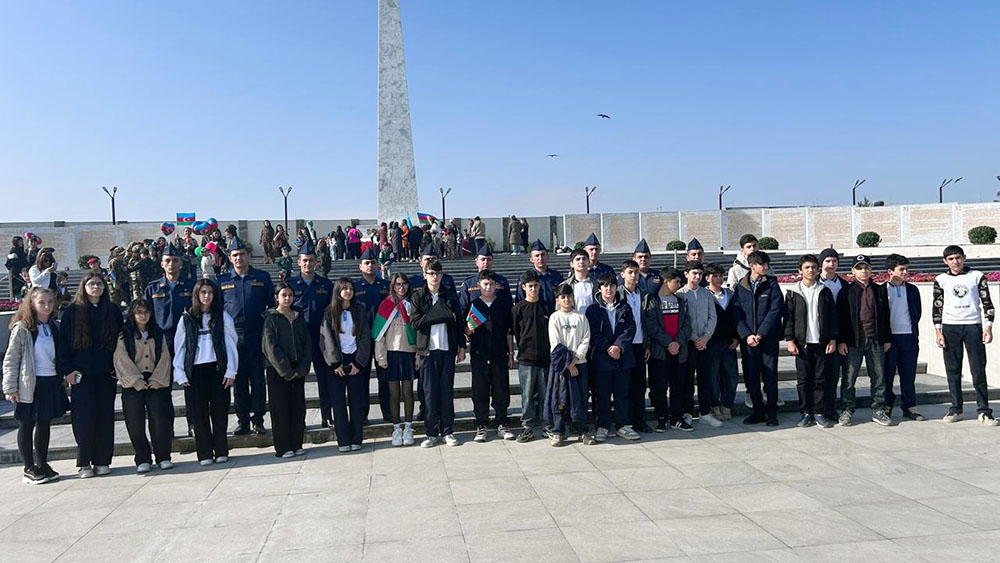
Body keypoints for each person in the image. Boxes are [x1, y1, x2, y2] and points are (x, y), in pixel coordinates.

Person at [58, 273, 123, 478]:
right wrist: (67, 370)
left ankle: (103, 460)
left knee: (105, 416)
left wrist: (119, 368)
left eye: (99, 284)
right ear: (84, 287)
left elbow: (121, 341)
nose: (96, 287)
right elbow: (63, 344)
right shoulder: (72, 312)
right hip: (80, 374)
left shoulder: (112, 310)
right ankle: (84, 462)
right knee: (83, 417)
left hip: (106, 374)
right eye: (91, 284)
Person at [3, 288, 68, 484]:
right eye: (42, 303)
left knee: (44, 423)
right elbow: (11, 359)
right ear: (32, 304)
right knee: (27, 423)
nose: (47, 306)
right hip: (29, 382)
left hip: (49, 380)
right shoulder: (22, 328)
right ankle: (28, 467)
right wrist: (9, 387)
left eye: (50, 302)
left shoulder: (53, 327)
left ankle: (42, 463)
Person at [173, 279, 238, 466]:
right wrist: (181, 373)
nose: (207, 296)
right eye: (203, 292)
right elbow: (181, 347)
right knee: (199, 415)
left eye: (210, 292)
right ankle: (205, 453)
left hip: (217, 369)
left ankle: (221, 450)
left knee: (219, 413)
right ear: (197, 295)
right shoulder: (187, 317)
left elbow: (230, 344)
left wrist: (231, 370)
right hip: (196, 371)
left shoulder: (222, 316)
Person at [218, 237, 274, 436]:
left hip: (258, 335)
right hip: (233, 337)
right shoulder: (222, 281)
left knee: (258, 380)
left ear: (249, 256)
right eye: (235, 255)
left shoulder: (262, 277)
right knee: (239, 381)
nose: (239, 258)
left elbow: (271, 305)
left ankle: (258, 419)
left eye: (242, 254)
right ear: (230, 258)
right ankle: (243, 421)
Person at [934, 245, 996, 425]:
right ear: (945, 261)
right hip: (950, 328)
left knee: (978, 370)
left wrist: (988, 327)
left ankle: (984, 411)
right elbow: (937, 306)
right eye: (951, 259)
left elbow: (987, 303)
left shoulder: (977, 276)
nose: (955, 261)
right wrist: (938, 331)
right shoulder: (940, 279)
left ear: (964, 258)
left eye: (958, 257)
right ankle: (956, 409)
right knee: (953, 371)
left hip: (973, 327)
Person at [113, 300, 174, 473]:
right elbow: (121, 358)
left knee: (160, 420)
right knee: (135, 422)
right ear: (132, 314)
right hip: (133, 382)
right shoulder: (124, 335)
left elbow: (164, 357)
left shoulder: (158, 333)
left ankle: (163, 456)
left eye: (146, 312)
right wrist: (136, 381)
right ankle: (142, 458)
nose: (143, 316)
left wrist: (156, 379)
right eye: (139, 312)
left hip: (155, 381)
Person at [410, 259, 466, 447]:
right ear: (425, 275)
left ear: (442, 275)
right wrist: (440, 315)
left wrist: (461, 346)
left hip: (447, 348)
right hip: (427, 351)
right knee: (429, 393)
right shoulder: (418, 296)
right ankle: (431, 432)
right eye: (431, 274)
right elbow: (415, 322)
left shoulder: (449, 296)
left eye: (438, 274)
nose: (435, 277)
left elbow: (457, 322)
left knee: (446, 391)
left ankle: (448, 430)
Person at [144, 243, 196, 436]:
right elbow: (144, 314)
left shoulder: (192, 286)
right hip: (163, 341)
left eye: (175, 260)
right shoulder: (153, 288)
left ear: (181, 263)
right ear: (162, 264)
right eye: (168, 261)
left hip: (189, 340)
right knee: (163, 386)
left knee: (190, 384)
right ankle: (168, 426)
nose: (172, 264)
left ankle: (194, 424)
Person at [783, 254, 838, 428]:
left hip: (821, 342)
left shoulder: (824, 291)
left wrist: (833, 339)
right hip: (802, 343)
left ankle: (819, 412)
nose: (811, 270)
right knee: (803, 380)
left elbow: (832, 317)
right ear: (800, 270)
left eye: (814, 267)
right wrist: (790, 340)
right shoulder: (793, 292)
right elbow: (788, 318)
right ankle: (806, 412)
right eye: (807, 267)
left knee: (820, 379)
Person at [837, 254, 891, 427]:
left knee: (879, 376)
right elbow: (841, 319)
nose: (863, 271)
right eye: (859, 268)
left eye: (866, 267)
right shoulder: (846, 291)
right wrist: (841, 341)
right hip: (853, 341)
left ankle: (878, 409)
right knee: (849, 377)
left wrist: (887, 338)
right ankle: (847, 409)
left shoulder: (879, 290)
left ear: (871, 270)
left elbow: (886, 317)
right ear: (853, 271)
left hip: (875, 339)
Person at [586, 274, 640, 442]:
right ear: (599, 288)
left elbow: (630, 329)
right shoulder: (593, 310)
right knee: (602, 394)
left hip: (622, 358)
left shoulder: (625, 307)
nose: (608, 289)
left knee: (622, 393)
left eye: (611, 286)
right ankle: (602, 425)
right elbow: (593, 332)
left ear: (617, 288)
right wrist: (608, 347)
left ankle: (622, 425)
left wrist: (618, 346)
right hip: (602, 358)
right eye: (604, 286)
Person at [732, 251, 783, 426]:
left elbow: (775, 311)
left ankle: (772, 413)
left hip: (767, 339)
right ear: (752, 265)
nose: (766, 267)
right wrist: (746, 335)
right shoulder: (741, 287)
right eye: (763, 264)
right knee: (751, 377)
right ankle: (757, 411)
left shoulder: (772, 285)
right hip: (749, 341)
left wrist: (761, 333)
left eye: (767, 264)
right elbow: (736, 313)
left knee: (770, 376)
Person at [320, 278, 372, 451]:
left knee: (357, 401)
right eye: (344, 288)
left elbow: (365, 336)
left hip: (356, 361)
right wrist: (335, 363)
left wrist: (359, 362)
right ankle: (343, 440)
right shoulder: (329, 311)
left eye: (351, 288)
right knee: (338, 402)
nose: (348, 291)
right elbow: (326, 338)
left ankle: (357, 438)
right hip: (337, 363)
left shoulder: (360, 310)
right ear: (338, 291)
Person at [288, 240, 334, 428]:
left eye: (311, 260)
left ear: (317, 262)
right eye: (304, 260)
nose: (308, 264)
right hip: (297, 340)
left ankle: (327, 415)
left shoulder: (326, 284)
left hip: (321, 338)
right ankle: (298, 420)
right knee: (297, 381)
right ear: (298, 262)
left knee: (325, 379)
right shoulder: (290, 284)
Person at [262, 283, 311, 458]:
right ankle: (283, 447)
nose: (288, 298)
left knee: (298, 408)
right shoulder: (271, 318)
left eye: (290, 295)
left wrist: (303, 367)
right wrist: (286, 370)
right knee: (280, 409)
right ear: (277, 297)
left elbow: (306, 343)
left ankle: (297, 443)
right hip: (278, 371)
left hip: (298, 368)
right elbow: (270, 346)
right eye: (284, 295)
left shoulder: (298, 317)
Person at [466, 270, 515, 442]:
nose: (488, 287)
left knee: (501, 388)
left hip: (499, 353)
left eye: (491, 284)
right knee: (479, 390)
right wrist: (467, 330)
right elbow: (466, 331)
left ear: (496, 286)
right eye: (485, 284)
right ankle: (481, 424)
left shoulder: (502, 304)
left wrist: (510, 354)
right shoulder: (474, 305)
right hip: (479, 353)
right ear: (479, 285)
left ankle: (502, 422)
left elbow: (509, 331)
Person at [876, 254, 924, 421]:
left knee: (908, 375)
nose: (905, 272)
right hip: (890, 340)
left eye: (906, 269)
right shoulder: (881, 290)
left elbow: (917, 313)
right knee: (887, 375)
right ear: (890, 271)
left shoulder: (912, 290)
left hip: (908, 338)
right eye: (901, 269)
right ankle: (887, 406)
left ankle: (910, 407)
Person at [374, 273, 418, 446]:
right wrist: (380, 357)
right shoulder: (386, 304)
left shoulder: (413, 303)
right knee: (393, 393)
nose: (401, 287)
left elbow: (418, 331)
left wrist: (418, 355)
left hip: (408, 352)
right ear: (393, 286)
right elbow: (379, 334)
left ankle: (408, 427)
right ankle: (396, 428)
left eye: (404, 284)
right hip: (391, 353)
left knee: (407, 392)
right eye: (398, 284)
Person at [544, 283, 591, 446]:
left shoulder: (581, 317)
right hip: (561, 366)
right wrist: (568, 365)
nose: (566, 300)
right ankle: (558, 431)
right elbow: (555, 344)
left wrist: (575, 360)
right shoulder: (554, 318)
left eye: (569, 296)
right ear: (557, 300)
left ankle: (581, 429)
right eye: (562, 297)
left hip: (580, 365)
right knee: (559, 399)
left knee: (581, 398)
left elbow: (585, 340)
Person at [677, 261, 720, 427]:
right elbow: (683, 322)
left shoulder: (706, 294)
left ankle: (705, 412)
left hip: (705, 343)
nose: (697, 277)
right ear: (686, 274)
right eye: (694, 273)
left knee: (705, 378)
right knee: (687, 379)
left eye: (700, 274)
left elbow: (712, 317)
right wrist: (695, 338)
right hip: (689, 343)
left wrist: (706, 337)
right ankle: (687, 412)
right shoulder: (680, 294)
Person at [512, 270, 553, 442]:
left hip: (544, 358)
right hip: (526, 358)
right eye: (530, 286)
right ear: (523, 287)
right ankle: (527, 427)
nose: (533, 289)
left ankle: (546, 426)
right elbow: (516, 332)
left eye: (536, 286)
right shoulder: (518, 309)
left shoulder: (546, 307)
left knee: (545, 395)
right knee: (527, 395)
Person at [355, 247, 392, 421]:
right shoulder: (353, 288)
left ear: (378, 266)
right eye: (367, 263)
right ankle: (362, 416)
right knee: (361, 379)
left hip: (383, 338)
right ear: (360, 266)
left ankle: (388, 413)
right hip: (361, 339)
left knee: (384, 378)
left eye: (373, 263)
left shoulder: (386, 286)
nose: (370, 266)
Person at [618, 260, 652, 432]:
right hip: (624, 346)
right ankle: (625, 420)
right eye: (630, 272)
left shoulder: (644, 294)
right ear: (622, 274)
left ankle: (639, 419)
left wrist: (647, 345)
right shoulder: (617, 294)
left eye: (636, 272)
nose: (633, 276)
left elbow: (647, 321)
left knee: (639, 385)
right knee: (624, 385)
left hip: (640, 344)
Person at [705, 263, 740, 421]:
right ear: (707, 278)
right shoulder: (704, 295)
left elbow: (737, 317)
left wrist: (736, 337)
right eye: (714, 276)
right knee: (712, 375)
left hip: (728, 341)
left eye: (720, 275)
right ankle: (714, 405)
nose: (718, 278)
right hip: (710, 342)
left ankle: (727, 404)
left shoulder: (730, 294)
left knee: (731, 374)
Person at [817, 247, 847, 422]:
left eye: (834, 261)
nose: (831, 264)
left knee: (833, 374)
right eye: (828, 261)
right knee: (818, 375)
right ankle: (815, 408)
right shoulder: (814, 282)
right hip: (818, 336)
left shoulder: (843, 285)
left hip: (838, 336)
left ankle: (830, 407)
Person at [459, 242, 512, 313]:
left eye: (489, 259)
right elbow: (463, 307)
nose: (486, 262)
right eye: (483, 259)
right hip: (475, 322)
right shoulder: (469, 283)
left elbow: (509, 305)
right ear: (476, 262)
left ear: (493, 262)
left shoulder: (502, 281)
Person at [516, 239, 564, 306]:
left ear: (548, 257)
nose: (540, 258)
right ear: (531, 259)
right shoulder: (525, 278)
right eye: (537, 256)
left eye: (543, 255)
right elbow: (520, 300)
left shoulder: (557, 276)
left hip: (553, 314)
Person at [559, 249, 596, 314]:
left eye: (584, 259)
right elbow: (559, 310)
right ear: (571, 264)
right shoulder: (565, 285)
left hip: (593, 322)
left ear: (589, 262)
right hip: (573, 322)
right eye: (578, 259)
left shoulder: (596, 284)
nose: (581, 261)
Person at [5, 235, 28, 300]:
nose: (21, 243)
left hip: (24, 275)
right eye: (19, 241)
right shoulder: (13, 251)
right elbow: (10, 264)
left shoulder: (22, 251)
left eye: (22, 241)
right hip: (17, 276)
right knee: (18, 292)